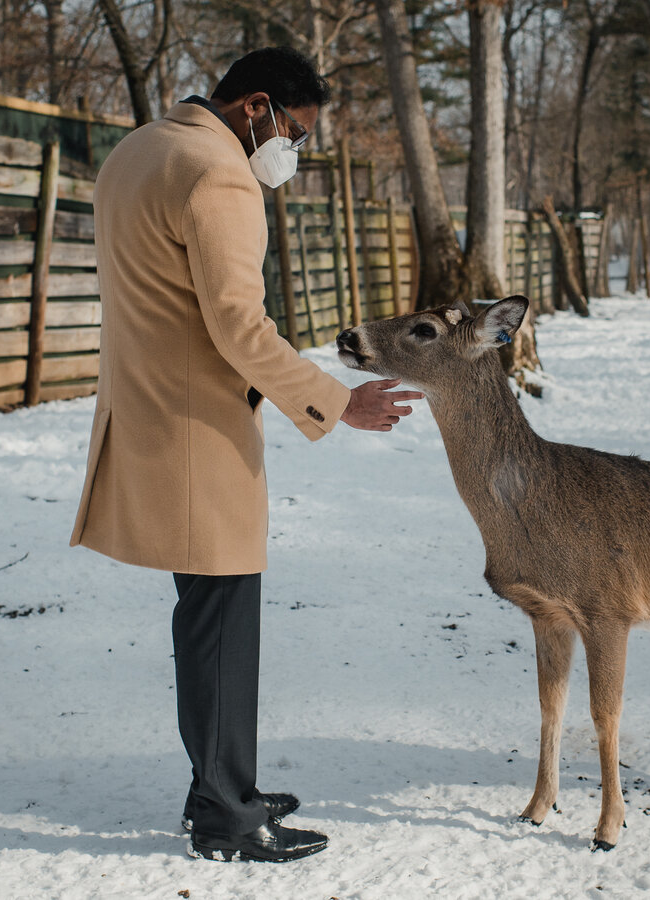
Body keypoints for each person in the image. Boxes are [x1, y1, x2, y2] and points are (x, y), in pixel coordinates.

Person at [69, 47, 421, 863]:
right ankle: (228, 816)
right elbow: (238, 327)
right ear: (254, 106)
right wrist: (338, 402)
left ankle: (221, 783)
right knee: (224, 622)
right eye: (293, 132)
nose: (291, 151)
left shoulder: (138, 150)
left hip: (145, 413)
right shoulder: (218, 173)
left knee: (205, 619)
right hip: (201, 431)